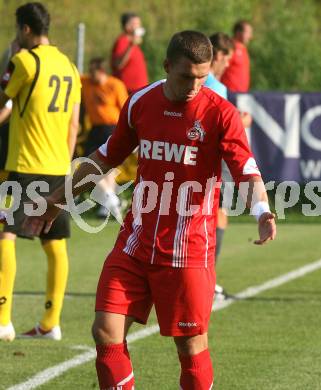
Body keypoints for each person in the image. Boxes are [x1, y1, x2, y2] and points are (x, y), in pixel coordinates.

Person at [24, 30, 276, 389]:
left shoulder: (220, 113)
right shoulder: (141, 102)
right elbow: (103, 158)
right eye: (186, 75)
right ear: (167, 66)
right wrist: (55, 201)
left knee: (190, 347)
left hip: (187, 250)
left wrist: (261, 211)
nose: (195, 85)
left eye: (202, 77)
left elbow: (246, 170)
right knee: (106, 331)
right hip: (135, 242)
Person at [0, 2, 81, 342]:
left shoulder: (23, 61)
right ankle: (51, 323)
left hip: (23, 166)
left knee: (5, 235)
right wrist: (65, 167)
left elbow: (4, 107)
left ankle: (3, 321)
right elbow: (74, 123)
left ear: (26, 29)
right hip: (57, 168)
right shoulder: (70, 67)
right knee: (55, 244)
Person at [81, 57, 128, 219]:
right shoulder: (86, 82)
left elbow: (125, 109)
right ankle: (111, 198)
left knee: (106, 166)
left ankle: (108, 201)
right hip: (95, 129)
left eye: (93, 71)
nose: (90, 74)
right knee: (88, 163)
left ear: (102, 71)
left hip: (112, 128)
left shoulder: (115, 85)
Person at [111, 12, 148, 94]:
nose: (139, 26)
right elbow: (118, 64)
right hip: (127, 91)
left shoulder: (133, 43)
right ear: (127, 26)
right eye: (136, 24)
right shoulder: (122, 41)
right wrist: (131, 46)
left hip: (138, 90)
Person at [221, 20, 253, 92]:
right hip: (229, 93)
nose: (250, 36)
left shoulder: (243, 49)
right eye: (248, 33)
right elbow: (219, 68)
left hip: (241, 95)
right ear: (238, 32)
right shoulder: (230, 47)